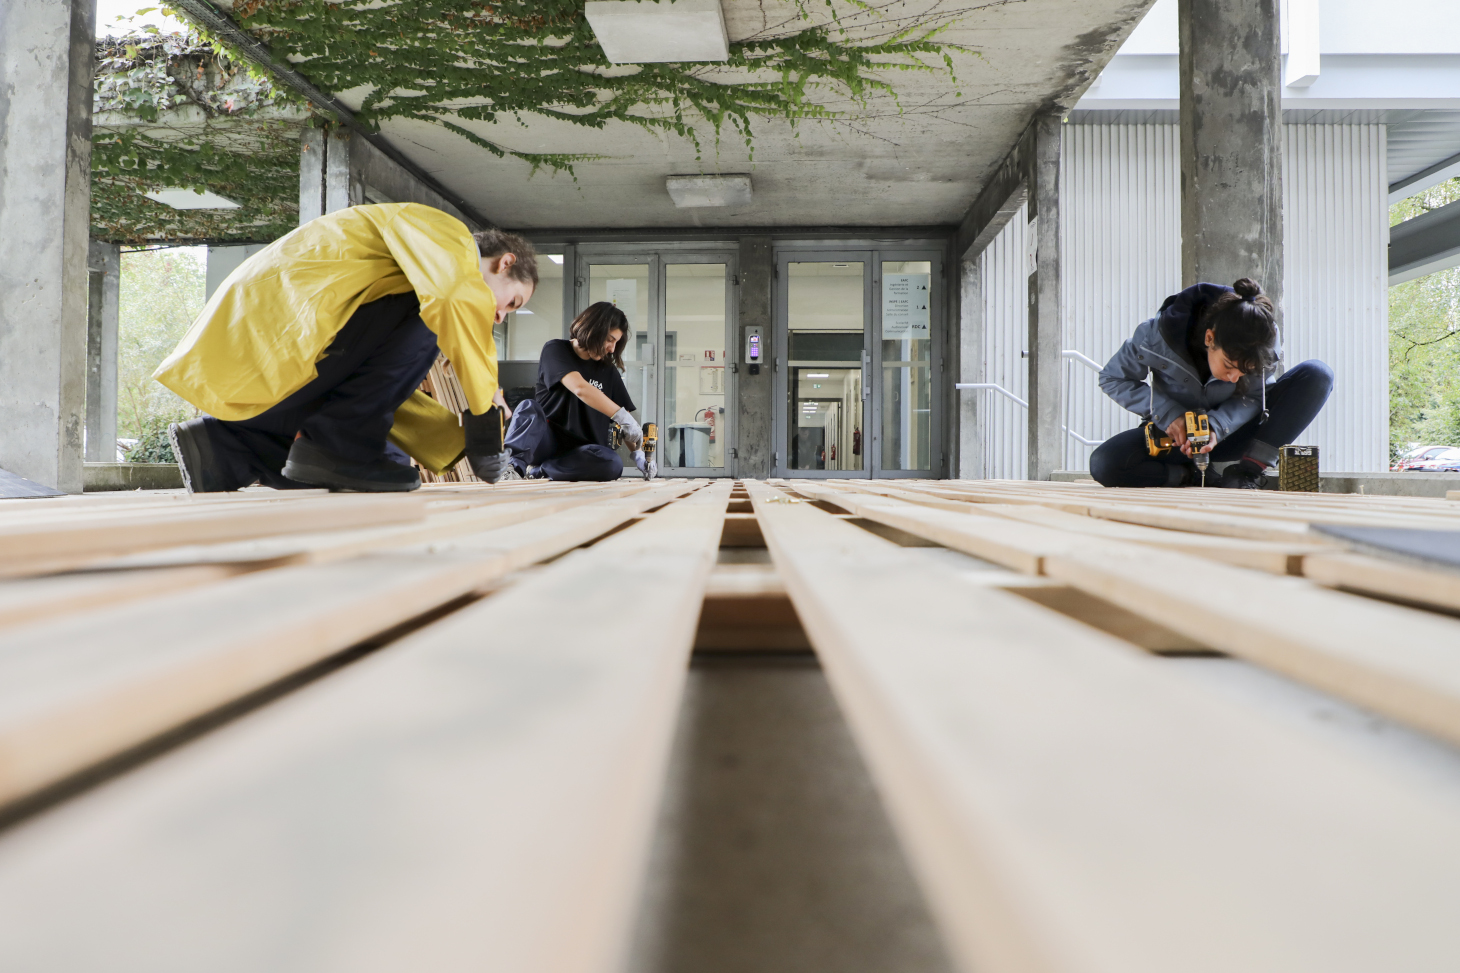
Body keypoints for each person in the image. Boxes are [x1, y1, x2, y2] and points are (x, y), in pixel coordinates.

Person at [155, 203, 535, 492]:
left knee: (337, 472)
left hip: (273, 340)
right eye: (512, 303)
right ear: (504, 263)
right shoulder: (451, 239)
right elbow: (452, 298)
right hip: (285, 331)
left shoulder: (420, 257)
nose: (500, 318)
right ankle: (340, 447)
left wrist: (460, 440)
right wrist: (484, 427)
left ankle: (226, 448)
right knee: (430, 314)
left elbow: (369, 380)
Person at [1089, 278, 1334, 489]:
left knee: (1318, 374)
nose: (1234, 378)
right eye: (1228, 366)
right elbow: (1113, 378)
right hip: (1176, 437)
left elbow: (1255, 397)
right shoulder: (1155, 335)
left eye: (1244, 372)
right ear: (1209, 337)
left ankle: (1247, 472)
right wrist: (1168, 415)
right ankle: (1189, 475)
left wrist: (1216, 426)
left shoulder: (1264, 340)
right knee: (1104, 463)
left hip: (1232, 433)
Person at [504, 302, 652, 481]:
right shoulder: (556, 350)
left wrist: (638, 454)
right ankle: (512, 467)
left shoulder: (608, 371)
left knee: (612, 464)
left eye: (616, 343)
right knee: (528, 407)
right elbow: (580, 388)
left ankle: (542, 471)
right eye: (610, 339)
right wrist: (621, 417)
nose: (612, 349)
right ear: (593, 329)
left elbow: (626, 419)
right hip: (546, 443)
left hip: (583, 452)